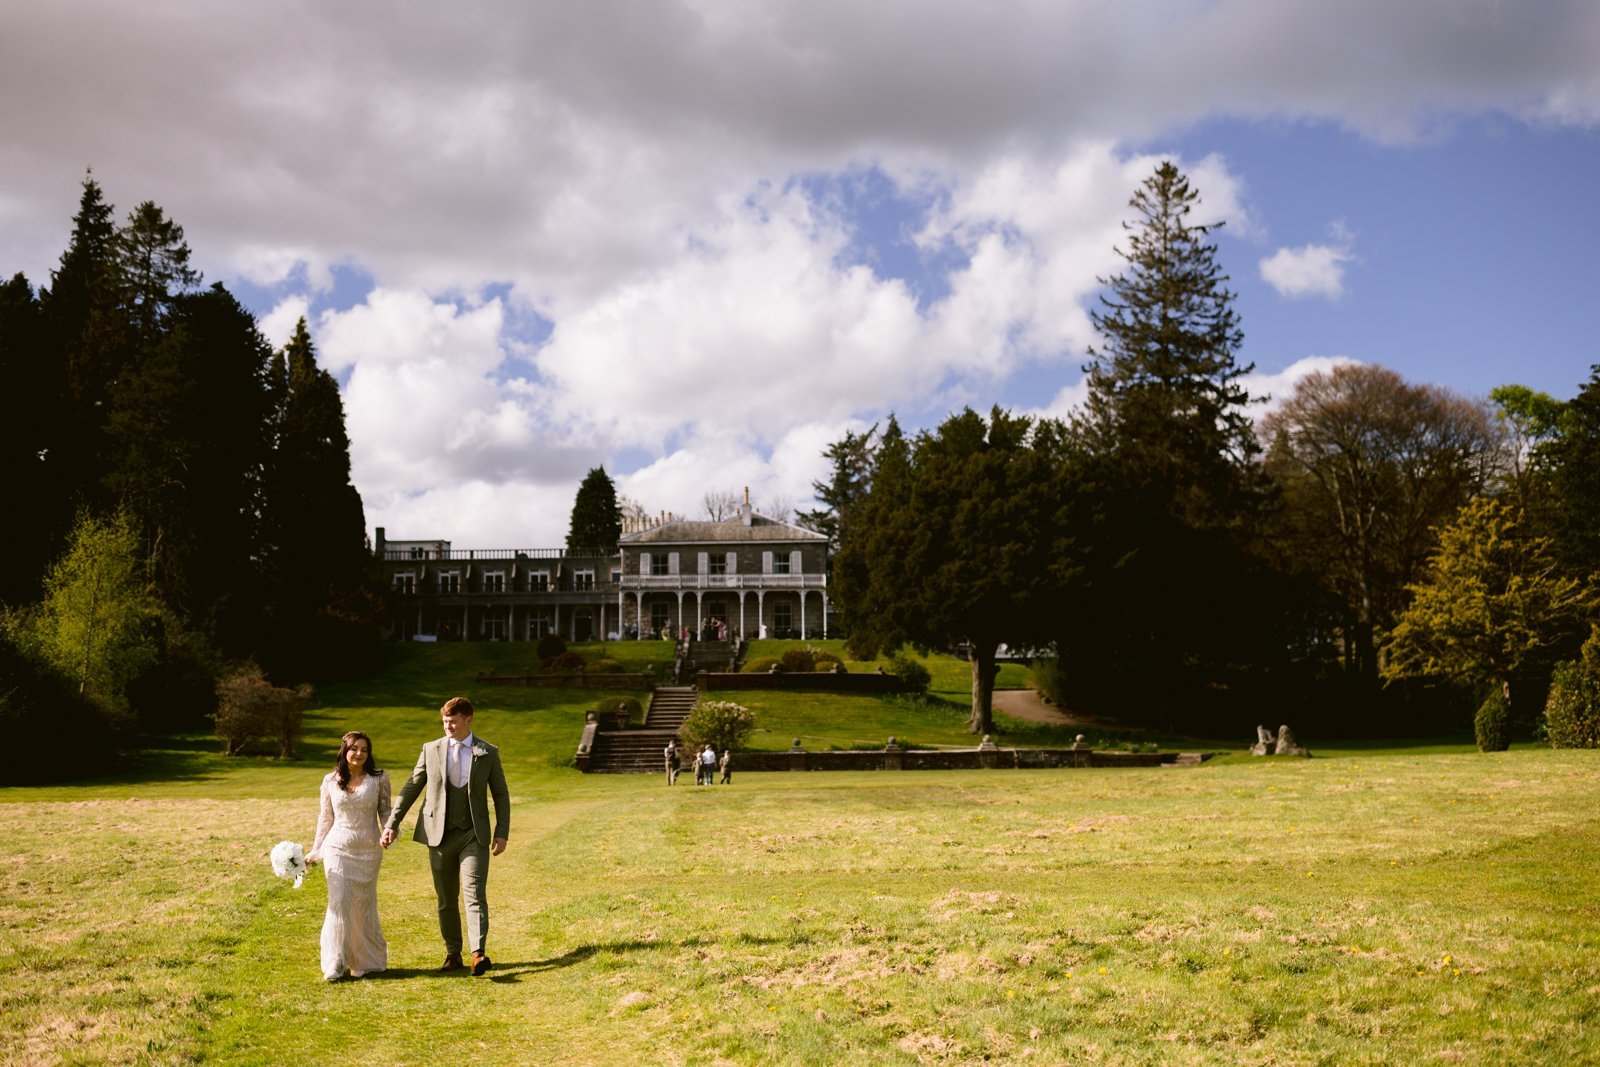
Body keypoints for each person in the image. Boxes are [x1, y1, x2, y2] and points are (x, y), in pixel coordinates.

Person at [382, 697, 510, 976]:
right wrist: (393, 823)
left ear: (468, 719)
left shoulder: (487, 752)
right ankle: (453, 953)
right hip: (438, 835)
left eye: (452, 721)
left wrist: (502, 832)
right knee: (446, 898)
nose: (447, 726)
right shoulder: (431, 749)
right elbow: (413, 786)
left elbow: (500, 793)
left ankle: (478, 954)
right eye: (444, 721)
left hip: (473, 835)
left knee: (474, 893)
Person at [306, 731, 390, 981]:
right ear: (345, 751)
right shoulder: (330, 780)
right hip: (337, 847)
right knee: (339, 901)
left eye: (365, 750)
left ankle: (361, 959)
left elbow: (385, 809)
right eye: (355, 749)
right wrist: (316, 849)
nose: (359, 754)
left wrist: (389, 830)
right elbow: (325, 818)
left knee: (362, 904)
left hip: (368, 849)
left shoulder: (379, 779)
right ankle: (335, 962)